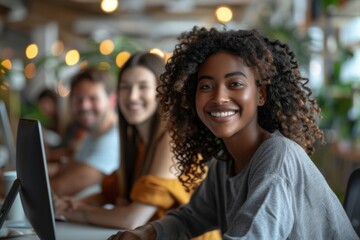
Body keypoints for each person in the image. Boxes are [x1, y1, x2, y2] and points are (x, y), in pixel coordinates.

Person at [107, 27, 359, 240]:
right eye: (206, 86)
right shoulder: (224, 162)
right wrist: (145, 233)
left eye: (235, 84)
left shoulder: (277, 155)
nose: (219, 97)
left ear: (261, 94)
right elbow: (190, 218)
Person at [55, 52, 220, 239]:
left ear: (162, 92)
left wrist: (77, 213)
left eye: (143, 87)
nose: (132, 96)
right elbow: (111, 192)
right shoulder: (138, 141)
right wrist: (74, 204)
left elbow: (133, 219)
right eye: (125, 87)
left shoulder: (172, 139)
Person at [50, 67, 119, 197]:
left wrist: (11, 186)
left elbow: (60, 188)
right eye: (78, 99)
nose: (84, 106)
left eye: (93, 98)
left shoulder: (113, 139)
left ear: (112, 101)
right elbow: (68, 169)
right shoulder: (93, 133)